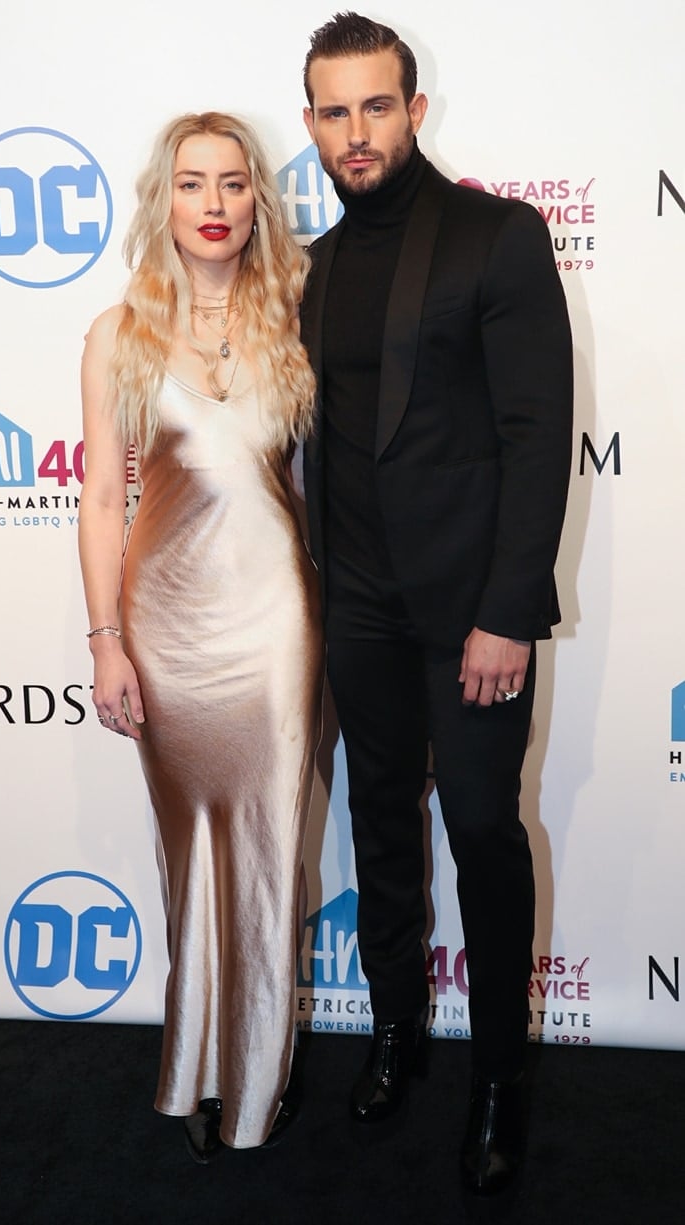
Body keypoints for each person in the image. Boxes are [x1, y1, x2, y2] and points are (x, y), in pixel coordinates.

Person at [300, 13, 573, 1196]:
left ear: (413, 111)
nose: (354, 133)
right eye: (331, 111)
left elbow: (534, 432)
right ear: (311, 123)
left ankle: (500, 1076)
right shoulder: (313, 265)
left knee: (480, 833)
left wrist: (508, 611)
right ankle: (398, 1031)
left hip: (470, 614)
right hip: (352, 602)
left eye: (374, 107)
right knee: (379, 835)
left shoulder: (496, 237)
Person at [78, 112, 323, 1164]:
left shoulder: (295, 315)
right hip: (165, 626)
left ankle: (255, 1086)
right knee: (192, 857)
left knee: (271, 854)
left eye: (232, 184)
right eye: (192, 183)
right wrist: (104, 641)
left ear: (255, 201)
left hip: (275, 624)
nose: (214, 204)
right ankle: (195, 1067)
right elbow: (99, 497)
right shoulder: (119, 330)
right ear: (163, 200)